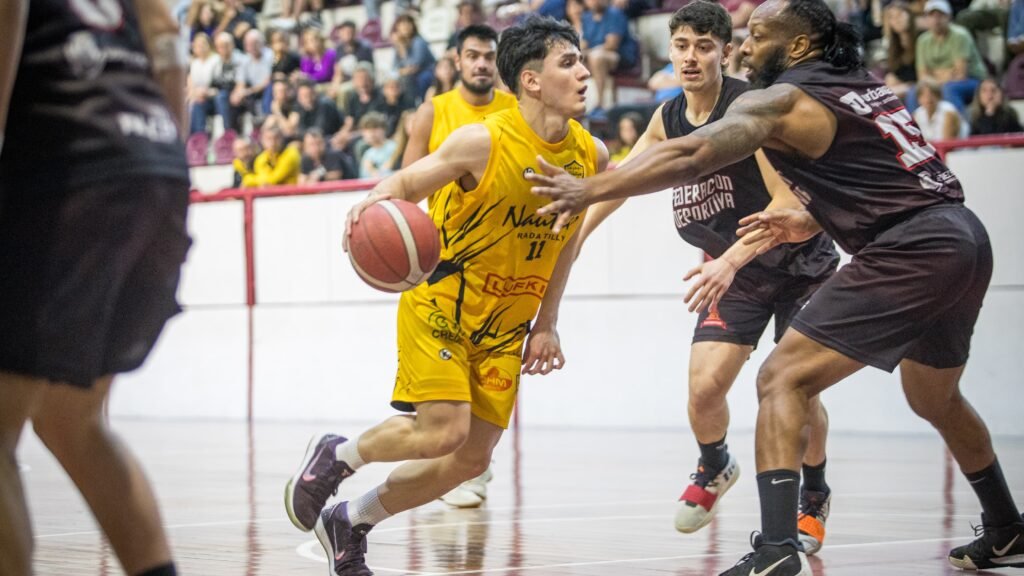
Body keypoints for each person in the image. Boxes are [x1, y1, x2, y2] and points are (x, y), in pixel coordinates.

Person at [525, 0, 1024, 574]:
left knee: (781, 378)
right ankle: (1007, 526)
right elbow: (884, 174)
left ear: (798, 46)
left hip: (906, 249)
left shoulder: (781, 98)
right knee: (934, 397)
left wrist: (586, 189)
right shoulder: (859, 84)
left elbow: (694, 152)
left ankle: (779, 547)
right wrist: (809, 216)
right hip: (962, 236)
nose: (745, 46)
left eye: (757, 36)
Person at [283, 16, 606, 575]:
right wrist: (371, 204)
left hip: (507, 326)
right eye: (569, 62)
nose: (584, 72)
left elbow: (565, 245)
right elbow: (407, 183)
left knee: (470, 460)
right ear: (531, 80)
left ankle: (350, 520)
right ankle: (338, 456)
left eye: (580, 61)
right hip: (443, 305)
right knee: (443, 431)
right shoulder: (482, 141)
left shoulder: (590, 156)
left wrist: (548, 322)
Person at [576, 1, 838, 554]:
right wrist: (573, 242)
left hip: (797, 262)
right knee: (703, 389)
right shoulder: (667, 117)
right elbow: (624, 181)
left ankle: (813, 492)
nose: (691, 57)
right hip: (734, 271)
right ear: (669, 52)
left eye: (703, 46)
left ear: (726, 52)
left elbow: (785, 205)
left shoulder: (751, 106)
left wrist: (727, 261)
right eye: (681, 46)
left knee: (796, 388)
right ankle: (716, 463)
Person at [0, 0, 191, 575]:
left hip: (66, 175)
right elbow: (166, 34)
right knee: (71, 418)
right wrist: (168, 164)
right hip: (156, 167)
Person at [402, 23, 517, 508]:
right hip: (445, 263)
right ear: (456, 60)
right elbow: (407, 184)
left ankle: (472, 467)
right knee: (444, 389)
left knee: (491, 381)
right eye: (473, 55)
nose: (482, 64)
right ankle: (451, 470)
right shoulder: (434, 111)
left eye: (489, 56)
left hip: (504, 266)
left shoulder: (514, 110)